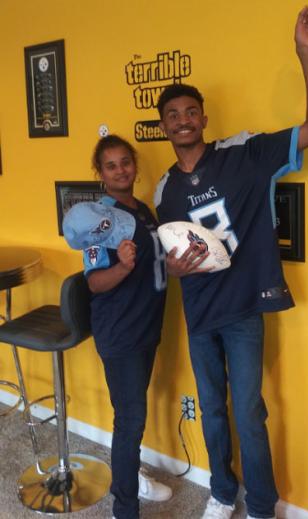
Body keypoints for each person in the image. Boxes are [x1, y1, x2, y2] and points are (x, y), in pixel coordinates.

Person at [154, 7, 308, 519]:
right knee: (212, 410)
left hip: (242, 310)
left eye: (191, 112)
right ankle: (221, 491)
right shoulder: (163, 188)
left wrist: (305, 53)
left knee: (249, 413)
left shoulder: (245, 153)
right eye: (173, 115)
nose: (183, 120)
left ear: (204, 118)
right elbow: (168, 262)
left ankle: (259, 504)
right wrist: (174, 271)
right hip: (199, 311)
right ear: (163, 125)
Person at [63, 134, 171, 519]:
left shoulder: (142, 210)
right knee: (130, 419)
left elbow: (158, 262)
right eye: (111, 165)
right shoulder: (99, 218)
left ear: (134, 166)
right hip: (121, 331)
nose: (121, 169)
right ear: (101, 172)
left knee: (132, 415)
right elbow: (94, 283)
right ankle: (124, 507)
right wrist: (122, 266)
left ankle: (130, 475)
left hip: (146, 326)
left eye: (126, 162)